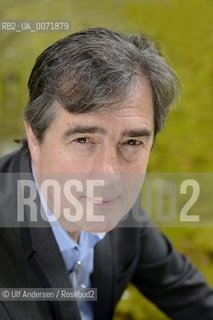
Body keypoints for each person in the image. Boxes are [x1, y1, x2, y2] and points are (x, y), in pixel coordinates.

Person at [0, 27, 213, 320]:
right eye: (84, 140)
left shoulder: (120, 211)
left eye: (132, 142)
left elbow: (194, 299)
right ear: (35, 137)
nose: (109, 174)